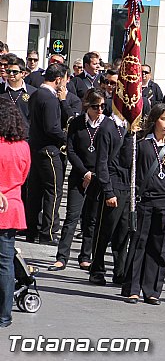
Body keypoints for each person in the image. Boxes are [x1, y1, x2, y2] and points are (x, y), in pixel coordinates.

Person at [122, 104, 165, 305]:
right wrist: (129, 136)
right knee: (139, 244)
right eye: (164, 119)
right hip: (144, 202)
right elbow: (126, 164)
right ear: (155, 120)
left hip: (164, 203)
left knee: (158, 248)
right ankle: (133, 288)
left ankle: (152, 290)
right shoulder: (141, 144)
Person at [49, 89, 106, 272]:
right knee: (72, 217)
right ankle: (62, 257)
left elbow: (109, 153)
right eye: (95, 106)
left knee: (91, 219)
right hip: (79, 175)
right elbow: (71, 150)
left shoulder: (107, 125)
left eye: (102, 106)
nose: (99, 110)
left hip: (98, 176)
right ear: (87, 105)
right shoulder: (77, 123)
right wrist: (84, 173)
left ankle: (85, 256)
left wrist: (95, 174)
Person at [26, 63, 69, 245]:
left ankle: (31, 230)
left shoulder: (36, 94)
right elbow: (52, 128)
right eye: (65, 79)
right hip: (49, 150)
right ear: (58, 79)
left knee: (35, 192)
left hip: (35, 149)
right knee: (53, 191)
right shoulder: (49, 98)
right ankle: (48, 233)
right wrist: (66, 137)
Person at [89, 110, 132, 286]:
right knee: (104, 231)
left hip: (128, 186)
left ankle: (119, 271)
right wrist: (108, 190)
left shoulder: (131, 127)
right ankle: (97, 269)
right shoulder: (107, 127)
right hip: (113, 184)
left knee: (123, 232)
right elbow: (102, 162)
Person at [0, 97, 31, 327]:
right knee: (5, 263)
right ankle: (4, 314)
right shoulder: (23, 146)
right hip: (12, 206)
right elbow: (23, 176)